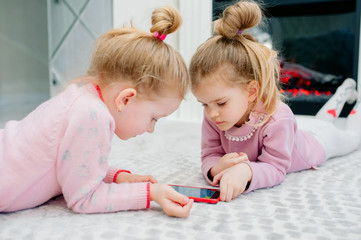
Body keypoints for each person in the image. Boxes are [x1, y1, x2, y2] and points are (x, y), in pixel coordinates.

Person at [0, 6, 193, 217]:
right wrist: (150, 193)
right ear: (125, 99)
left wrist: (116, 177)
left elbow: (71, 166)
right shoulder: (92, 115)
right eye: (153, 118)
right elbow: (84, 198)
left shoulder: (85, 100)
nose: (151, 129)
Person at [189, 0, 361, 202]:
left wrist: (247, 171)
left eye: (220, 103)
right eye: (204, 104)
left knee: (351, 137)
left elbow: (276, 168)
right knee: (322, 120)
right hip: (303, 129)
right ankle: (343, 92)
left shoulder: (279, 118)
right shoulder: (213, 113)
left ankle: (349, 99)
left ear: (251, 91)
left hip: (320, 141)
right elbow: (210, 154)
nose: (211, 113)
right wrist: (216, 168)